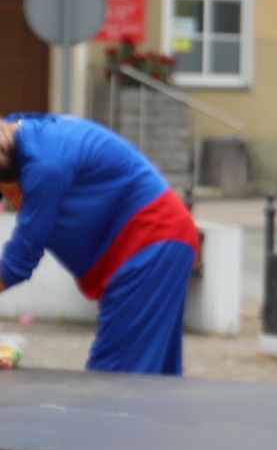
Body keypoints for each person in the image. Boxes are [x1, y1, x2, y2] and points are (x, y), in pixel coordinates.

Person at [0, 113, 198, 374]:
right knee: (152, 384)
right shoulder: (16, 136)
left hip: (150, 241)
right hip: (142, 246)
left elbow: (20, 259)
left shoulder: (45, 165)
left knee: (114, 384)